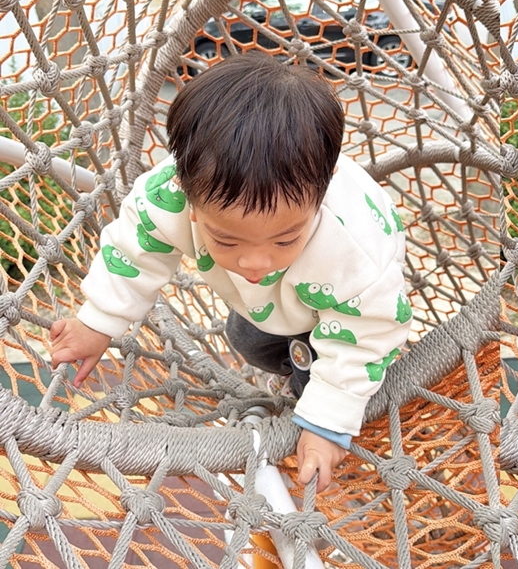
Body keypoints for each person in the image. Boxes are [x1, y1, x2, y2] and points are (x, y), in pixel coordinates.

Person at [49, 52, 412, 491]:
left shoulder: (352, 251)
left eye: (284, 239)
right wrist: (98, 321)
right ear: (186, 191)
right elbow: (134, 249)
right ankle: (293, 356)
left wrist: (327, 422)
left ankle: (311, 379)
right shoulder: (169, 196)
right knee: (247, 340)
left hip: (349, 308)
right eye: (227, 240)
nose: (254, 262)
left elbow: (370, 327)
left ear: (324, 186)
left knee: (326, 379)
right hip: (275, 304)